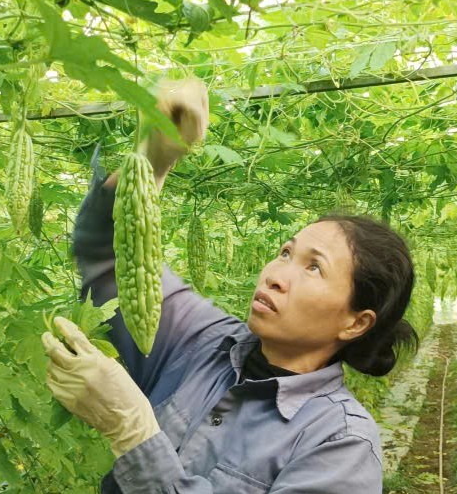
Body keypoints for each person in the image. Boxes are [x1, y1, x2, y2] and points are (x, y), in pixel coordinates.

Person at [41, 79, 417, 493]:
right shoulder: (203, 343)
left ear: (356, 323)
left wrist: (134, 433)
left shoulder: (341, 443)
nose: (276, 273)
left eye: (314, 268)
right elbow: (112, 257)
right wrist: (151, 160)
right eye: (286, 252)